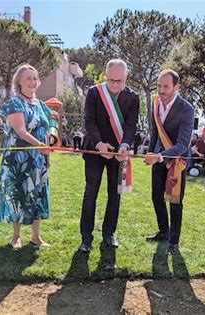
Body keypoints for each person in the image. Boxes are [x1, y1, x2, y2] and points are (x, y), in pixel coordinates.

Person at [0, 64, 58, 250]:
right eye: (28, 78)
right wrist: (40, 145)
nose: (32, 82)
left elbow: (51, 122)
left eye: (35, 78)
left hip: (38, 158)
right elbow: (20, 131)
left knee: (38, 193)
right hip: (19, 158)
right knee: (17, 193)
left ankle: (36, 237)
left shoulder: (41, 104)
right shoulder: (14, 103)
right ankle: (16, 236)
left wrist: (51, 137)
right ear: (19, 81)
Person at [79, 59, 139, 254]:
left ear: (126, 77)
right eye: (111, 80)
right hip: (95, 150)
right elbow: (89, 121)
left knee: (115, 194)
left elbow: (131, 126)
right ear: (106, 75)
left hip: (118, 153)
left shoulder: (133, 98)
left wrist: (125, 144)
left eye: (119, 81)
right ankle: (86, 238)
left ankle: (109, 234)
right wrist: (98, 144)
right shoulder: (95, 93)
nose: (114, 85)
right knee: (91, 193)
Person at [144, 69, 194, 254]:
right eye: (158, 85)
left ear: (176, 87)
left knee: (175, 200)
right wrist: (151, 151)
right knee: (156, 196)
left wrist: (160, 156)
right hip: (158, 157)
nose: (161, 90)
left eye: (166, 86)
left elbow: (183, 143)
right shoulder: (156, 102)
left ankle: (174, 241)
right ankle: (163, 232)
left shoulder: (186, 109)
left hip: (176, 161)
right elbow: (155, 132)